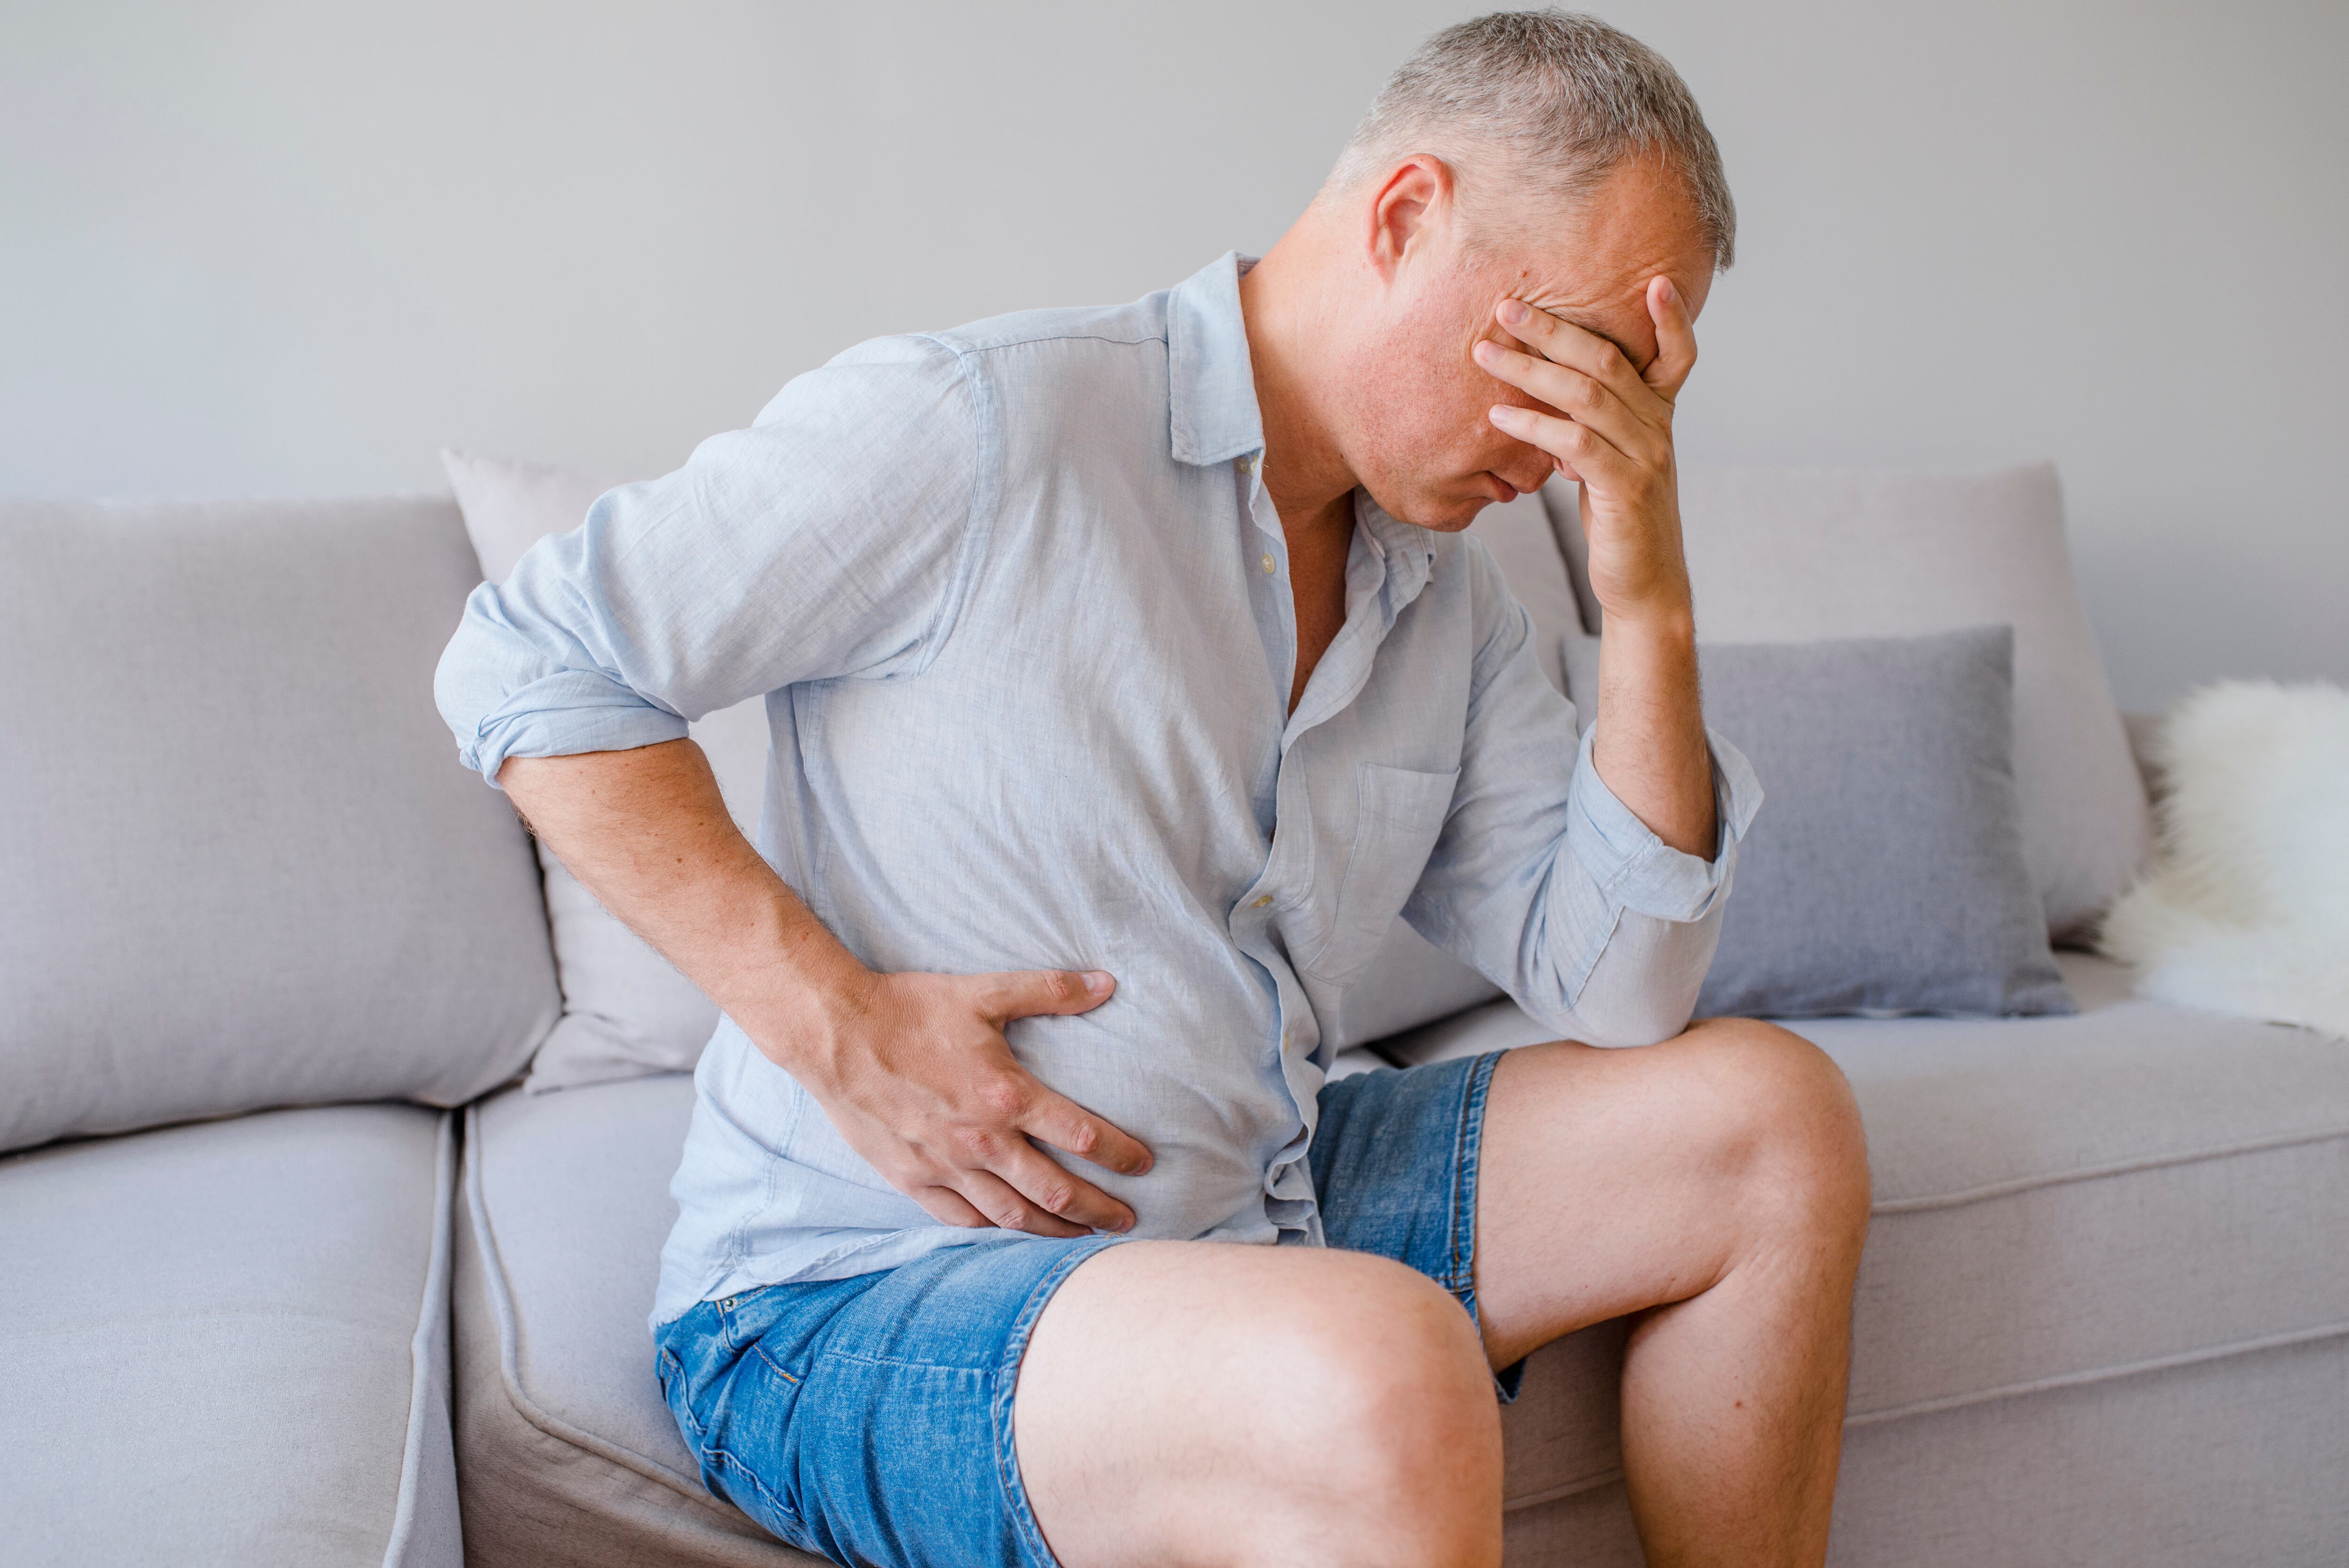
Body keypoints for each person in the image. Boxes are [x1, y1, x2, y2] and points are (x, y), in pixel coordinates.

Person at [436, 10, 1870, 1566]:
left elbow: (1629, 985)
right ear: (1405, 218)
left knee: (1771, 1120)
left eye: (1637, 389)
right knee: (1380, 1364)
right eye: (1580, 354)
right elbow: (529, 659)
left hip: (1253, 1204)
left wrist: (1645, 591)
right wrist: (831, 1020)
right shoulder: (991, 424)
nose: (1590, 434)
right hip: (863, 1284)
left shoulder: (1444, 602)